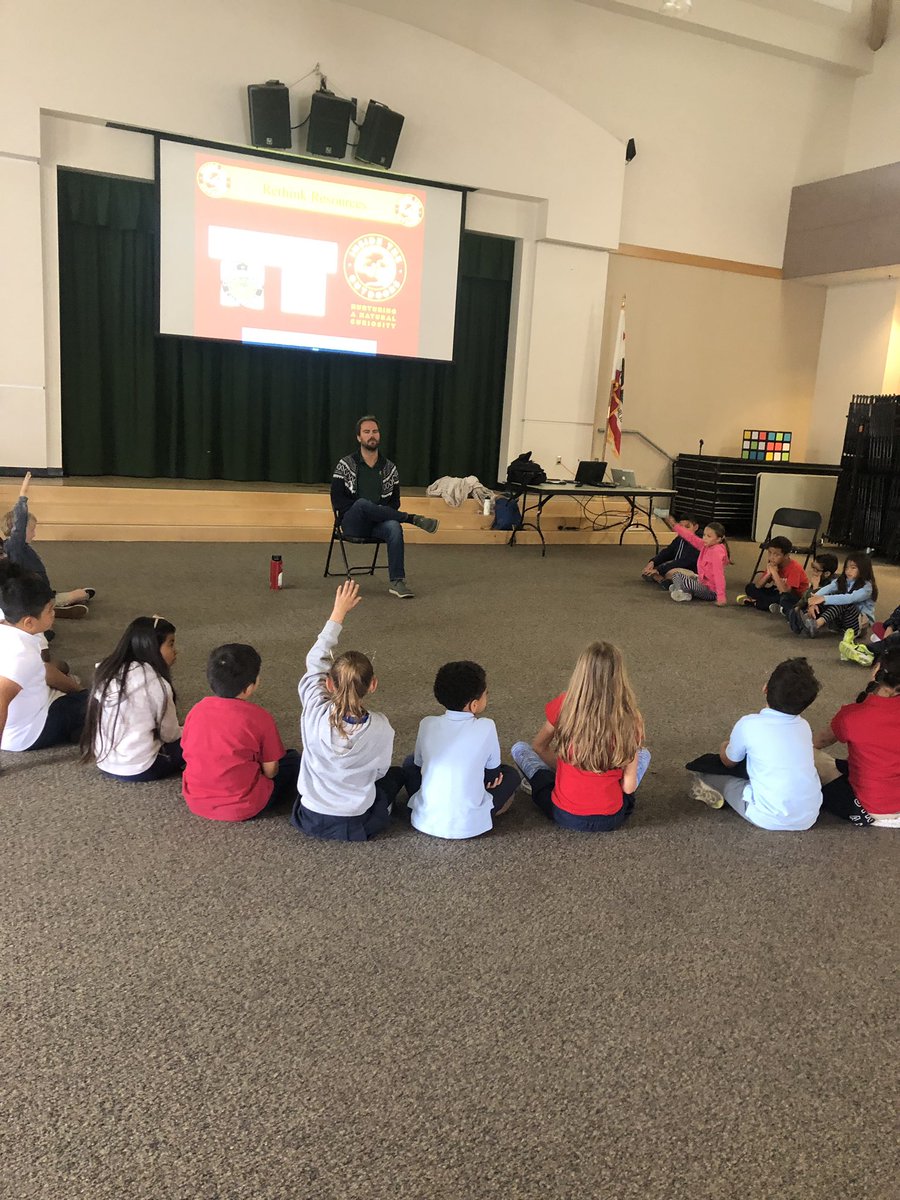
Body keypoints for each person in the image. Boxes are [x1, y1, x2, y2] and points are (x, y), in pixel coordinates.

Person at [291, 581, 404, 841]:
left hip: (309, 815)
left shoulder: (314, 709)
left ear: (329, 684)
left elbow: (315, 661)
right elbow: (380, 772)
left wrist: (338, 613)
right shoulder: (381, 727)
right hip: (355, 821)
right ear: (373, 685)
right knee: (397, 775)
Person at [511, 641, 650, 832]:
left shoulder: (565, 704)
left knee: (519, 748)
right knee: (644, 754)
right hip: (611, 818)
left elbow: (539, 747)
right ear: (619, 677)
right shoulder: (631, 718)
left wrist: (563, 769)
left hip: (563, 813)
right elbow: (628, 788)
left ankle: (554, 781)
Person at [684, 657, 822, 830]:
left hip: (767, 817)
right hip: (810, 815)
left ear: (765, 688)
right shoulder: (804, 726)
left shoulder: (749, 724)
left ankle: (710, 785)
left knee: (709, 771)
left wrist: (724, 745)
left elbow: (728, 761)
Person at [401, 660, 520, 839]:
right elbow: (492, 775)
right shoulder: (487, 726)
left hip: (424, 820)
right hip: (471, 825)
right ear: (474, 705)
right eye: (486, 694)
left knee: (409, 762)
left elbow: (418, 764)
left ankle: (432, 799)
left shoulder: (427, 723)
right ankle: (487, 807)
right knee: (511, 775)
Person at [181, 643, 300, 821]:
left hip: (196, 800)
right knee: (293, 760)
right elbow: (271, 771)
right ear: (249, 687)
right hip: (245, 805)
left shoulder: (196, 710)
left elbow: (187, 749)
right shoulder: (260, 717)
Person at [331, 415, 440, 599]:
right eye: (366, 432)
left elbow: (394, 503)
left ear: (379, 435)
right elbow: (337, 500)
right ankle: (411, 519)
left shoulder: (390, 468)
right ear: (358, 437)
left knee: (394, 527)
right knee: (362, 504)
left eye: (375, 431)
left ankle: (398, 581)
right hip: (353, 522)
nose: (371, 435)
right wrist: (366, 510)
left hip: (377, 524)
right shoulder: (345, 465)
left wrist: (378, 513)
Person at [80, 615, 184, 782]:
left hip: (104, 762)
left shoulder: (107, 671)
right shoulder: (157, 684)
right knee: (199, 737)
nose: (175, 650)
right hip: (142, 768)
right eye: (170, 644)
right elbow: (170, 735)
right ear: (152, 646)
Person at [0, 561, 88, 757]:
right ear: (29, 622)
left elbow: (43, 670)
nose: (53, 614)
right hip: (30, 730)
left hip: (23, 719)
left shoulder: (9, 630)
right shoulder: (21, 654)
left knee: (79, 693)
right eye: (50, 610)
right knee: (104, 703)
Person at [812, 645, 900, 828]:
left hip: (869, 807)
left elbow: (819, 742)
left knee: (813, 757)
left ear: (877, 670)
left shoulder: (851, 715)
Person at [1, 472, 94, 618]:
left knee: (80, 594)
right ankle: (49, 608)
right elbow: (19, 525)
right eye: (32, 530)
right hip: (32, 596)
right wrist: (22, 496)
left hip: (39, 591)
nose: (34, 534)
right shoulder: (15, 546)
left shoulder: (16, 547)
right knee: (78, 595)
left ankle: (51, 606)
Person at [789, 551, 877, 640]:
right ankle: (807, 619)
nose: (848, 571)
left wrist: (823, 599)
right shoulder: (844, 580)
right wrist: (813, 602)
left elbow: (850, 598)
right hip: (842, 622)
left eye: (853, 568)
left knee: (841, 599)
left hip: (859, 625)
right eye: (846, 567)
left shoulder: (867, 587)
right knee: (830, 595)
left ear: (863, 569)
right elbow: (828, 588)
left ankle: (816, 624)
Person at [661, 515, 730, 605]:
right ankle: (682, 590)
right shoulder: (705, 546)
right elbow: (691, 537)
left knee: (685, 580)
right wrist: (675, 526)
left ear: (718, 539)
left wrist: (721, 597)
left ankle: (682, 591)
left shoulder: (717, 552)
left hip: (711, 591)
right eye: (704, 535)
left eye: (709, 536)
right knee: (677, 575)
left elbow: (719, 574)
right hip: (702, 582)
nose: (705, 538)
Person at [735, 536, 808, 612]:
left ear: (786, 555)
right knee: (750, 587)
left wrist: (774, 572)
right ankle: (766, 603)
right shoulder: (773, 564)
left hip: (794, 596)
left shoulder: (795, 568)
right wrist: (768, 574)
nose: (772, 557)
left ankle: (756, 602)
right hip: (776, 591)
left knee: (783, 598)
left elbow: (785, 592)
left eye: (776, 555)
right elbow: (758, 586)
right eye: (770, 553)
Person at [640, 514, 700, 588]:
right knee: (649, 570)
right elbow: (667, 552)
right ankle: (663, 580)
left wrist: (659, 570)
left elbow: (683, 562)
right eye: (681, 527)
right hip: (679, 568)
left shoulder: (697, 543)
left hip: (693, 572)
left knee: (671, 573)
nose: (684, 530)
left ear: (696, 527)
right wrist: (653, 562)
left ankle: (663, 580)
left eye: (687, 527)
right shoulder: (679, 539)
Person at [774, 551, 838, 621]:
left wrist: (815, 587)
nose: (813, 572)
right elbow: (805, 597)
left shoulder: (832, 585)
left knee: (808, 612)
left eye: (816, 570)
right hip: (807, 605)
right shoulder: (819, 579)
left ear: (827, 573)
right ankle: (789, 613)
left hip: (820, 611)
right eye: (813, 567)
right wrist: (798, 607)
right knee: (785, 597)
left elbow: (819, 603)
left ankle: (787, 612)